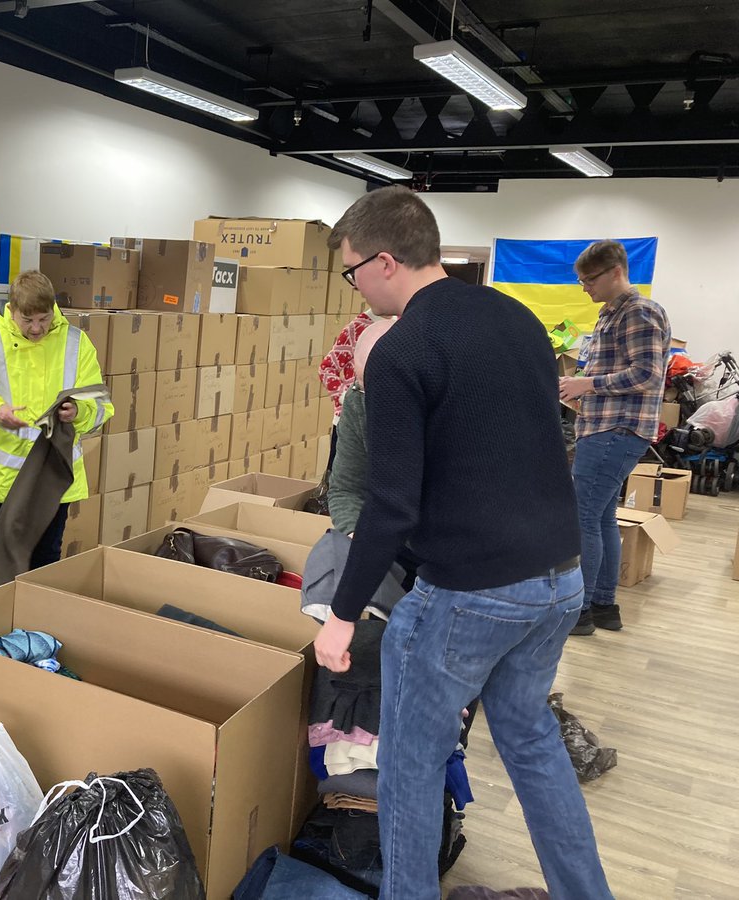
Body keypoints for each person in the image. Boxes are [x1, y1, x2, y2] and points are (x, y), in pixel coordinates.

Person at [314, 185, 613, 900]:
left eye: (352, 272)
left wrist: (342, 613)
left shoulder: (400, 349)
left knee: (410, 764)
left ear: (385, 262)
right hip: (559, 580)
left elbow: (390, 502)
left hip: (475, 593)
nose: (354, 289)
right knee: (532, 740)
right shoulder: (518, 319)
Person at [558, 240, 670, 635]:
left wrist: (586, 383)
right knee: (602, 516)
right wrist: (577, 385)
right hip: (605, 427)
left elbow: (647, 374)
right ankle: (603, 606)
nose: (584, 288)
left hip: (615, 430)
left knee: (582, 518)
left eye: (589, 279)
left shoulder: (638, 312)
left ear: (615, 272)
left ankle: (580, 611)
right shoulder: (611, 313)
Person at [0, 271, 112, 569]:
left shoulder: (76, 342)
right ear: (12, 309)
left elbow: (100, 405)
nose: (36, 329)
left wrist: (78, 412)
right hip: (2, 480)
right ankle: (5, 616)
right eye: (28, 320)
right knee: (4, 563)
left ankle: (37, 615)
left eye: (44, 319)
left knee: (46, 561)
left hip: (53, 478)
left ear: (53, 310)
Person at [328, 318, 394, 535]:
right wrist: (355, 536)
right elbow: (345, 490)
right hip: (385, 540)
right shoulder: (358, 400)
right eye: (364, 386)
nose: (371, 399)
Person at [319, 310, 378, 474]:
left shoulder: (400, 324)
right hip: (348, 421)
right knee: (341, 479)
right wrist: (346, 398)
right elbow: (326, 368)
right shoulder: (358, 327)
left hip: (377, 421)